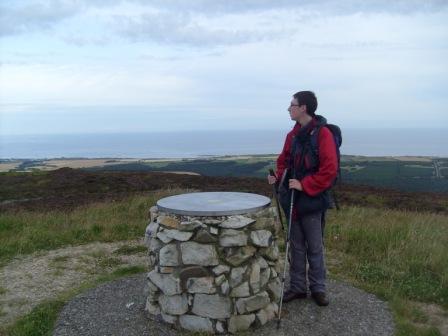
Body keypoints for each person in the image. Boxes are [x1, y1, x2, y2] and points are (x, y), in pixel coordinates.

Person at [268, 91, 338, 306]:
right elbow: (284, 161)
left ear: (304, 108)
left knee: (314, 246)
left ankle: (318, 288)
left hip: (311, 199)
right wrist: (278, 177)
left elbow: (330, 169)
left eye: (292, 104)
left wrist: (304, 185)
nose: (289, 108)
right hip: (292, 199)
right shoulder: (292, 135)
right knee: (296, 244)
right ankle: (298, 287)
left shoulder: (323, 134)